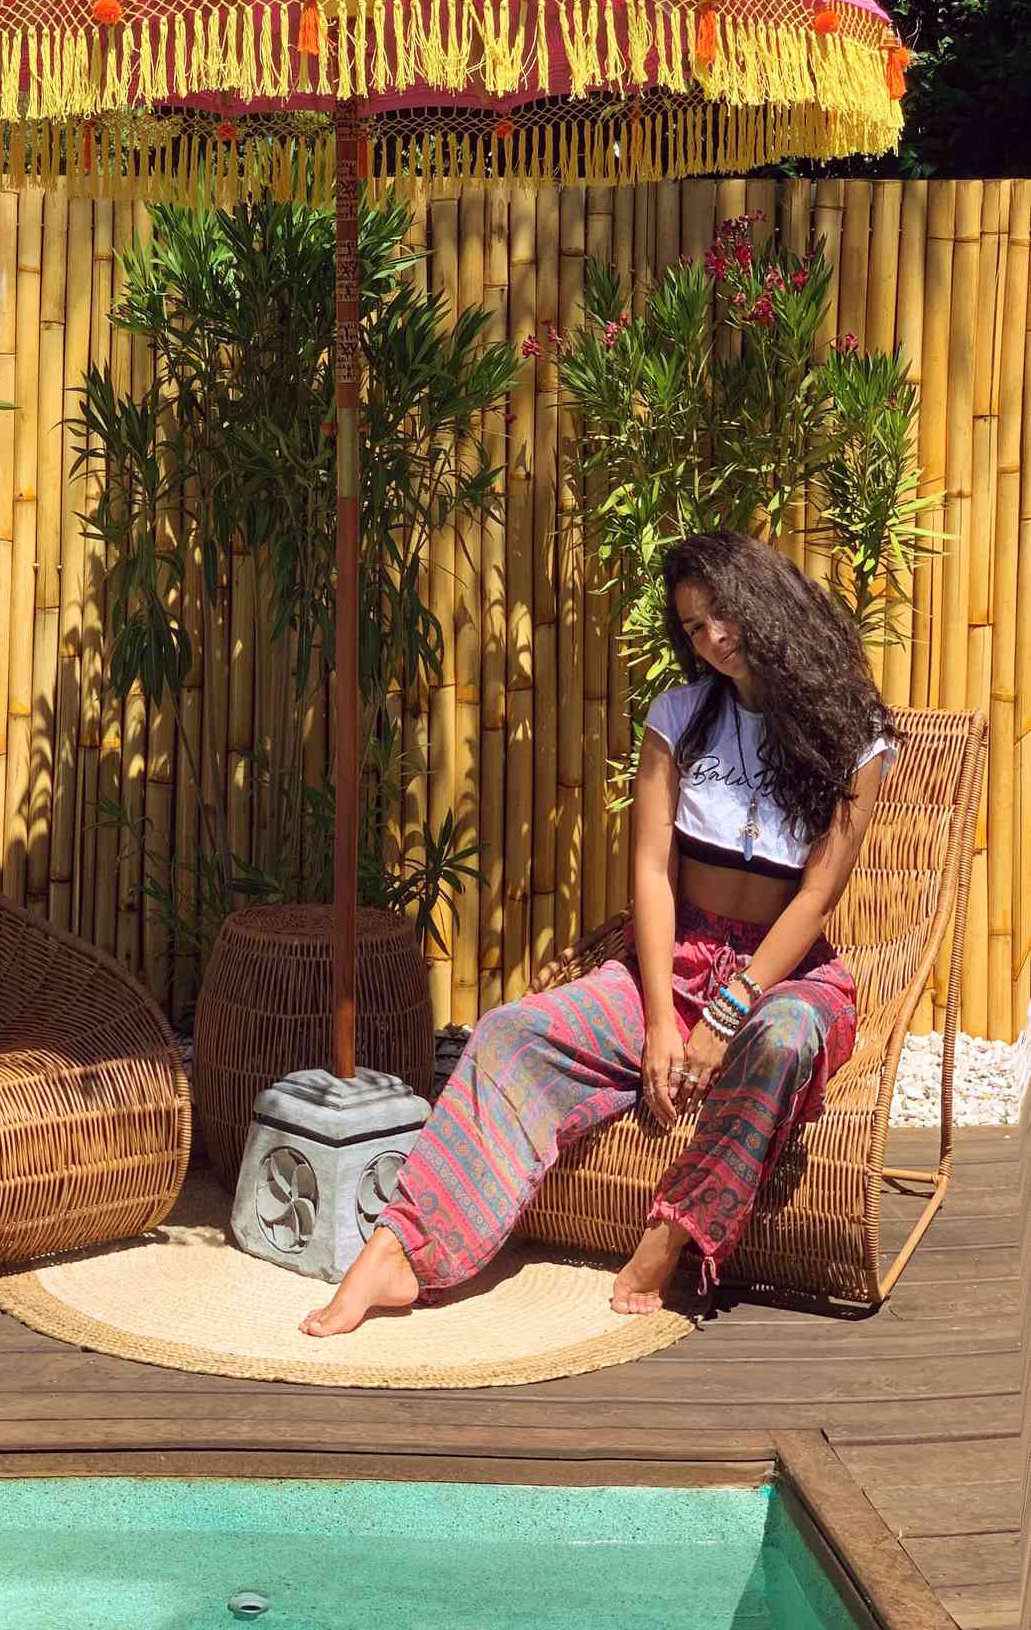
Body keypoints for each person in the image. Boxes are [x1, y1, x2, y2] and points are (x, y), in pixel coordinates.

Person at [301, 528, 897, 1337]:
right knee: (513, 1033)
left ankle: (671, 1234)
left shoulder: (854, 734)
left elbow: (819, 896)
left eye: (723, 613)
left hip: (783, 977)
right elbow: (651, 872)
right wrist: (659, 1019)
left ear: (766, 601)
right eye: (692, 627)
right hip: (676, 962)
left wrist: (729, 1015)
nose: (713, 638)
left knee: (785, 1036)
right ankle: (402, 1249)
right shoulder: (681, 717)